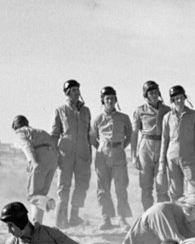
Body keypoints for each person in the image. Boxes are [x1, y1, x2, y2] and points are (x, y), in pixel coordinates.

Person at [159, 85, 195, 224]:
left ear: (185, 98)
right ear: (172, 100)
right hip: (172, 159)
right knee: (175, 194)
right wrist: (162, 164)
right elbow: (164, 141)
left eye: (181, 98)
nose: (179, 101)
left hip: (189, 158)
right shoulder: (167, 117)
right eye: (175, 99)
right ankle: (179, 223)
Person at [89, 86, 133, 231]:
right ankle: (106, 218)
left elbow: (129, 136)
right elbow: (91, 138)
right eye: (107, 98)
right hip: (102, 155)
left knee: (121, 187)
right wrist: (102, 147)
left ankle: (122, 218)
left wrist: (119, 147)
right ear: (103, 101)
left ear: (115, 100)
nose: (110, 101)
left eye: (112, 98)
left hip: (118, 153)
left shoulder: (124, 118)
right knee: (103, 188)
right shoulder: (97, 119)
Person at [0, 202, 96, 244]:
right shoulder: (11, 243)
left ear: (20, 221)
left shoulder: (49, 232)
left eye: (10, 225)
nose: (9, 231)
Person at [51, 79, 92, 228]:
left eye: (78, 89)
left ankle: (74, 216)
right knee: (64, 185)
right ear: (67, 93)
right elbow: (54, 134)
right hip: (65, 152)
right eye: (73, 90)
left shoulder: (86, 111)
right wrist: (54, 154)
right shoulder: (60, 110)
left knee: (82, 185)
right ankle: (61, 220)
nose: (77, 92)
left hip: (82, 152)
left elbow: (89, 134)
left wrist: (90, 154)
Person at [132, 80, 171, 211]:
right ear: (146, 95)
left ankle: (164, 216)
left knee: (162, 186)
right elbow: (134, 134)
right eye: (151, 93)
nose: (154, 95)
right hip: (145, 147)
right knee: (146, 186)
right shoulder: (140, 111)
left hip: (162, 147)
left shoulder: (167, 110)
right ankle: (148, 217)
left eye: (156, 92)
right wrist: (133, 156)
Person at [11, 115, 58, 224]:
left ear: (15, 127)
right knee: (40, 197)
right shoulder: (41, 131)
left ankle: (49, 203)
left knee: (32, 196)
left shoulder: (20, 132)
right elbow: (54, 147)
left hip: (39, 160)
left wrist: (33, 161)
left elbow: (26, 146)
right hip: (53, 161)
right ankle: (37, 224)